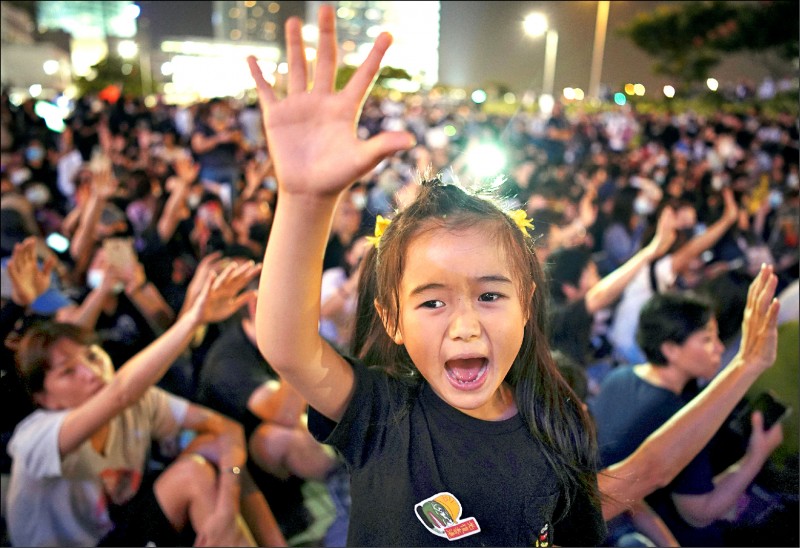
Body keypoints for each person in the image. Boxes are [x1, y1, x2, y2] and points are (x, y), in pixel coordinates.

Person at [247, 6, 605, 546]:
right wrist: (303, 200)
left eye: (488, 294)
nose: (464, 326)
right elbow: (288, 347)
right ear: (391, 318)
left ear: (527, 302)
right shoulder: (382, 415)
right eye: (432, 302)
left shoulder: (563, 423)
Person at [6, 257, 287, 547]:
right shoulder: (36, 436)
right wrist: (193, 318)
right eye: (67, 371)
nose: (91, 373)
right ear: (46, 400)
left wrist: (227, 506)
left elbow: (228, 431)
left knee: (202, 462)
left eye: (91, 356)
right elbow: (121, 392)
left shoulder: (141, 401)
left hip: (124, 532)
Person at [588, 268, 784, 546]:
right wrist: (757, 454)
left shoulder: (619, 376)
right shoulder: (678, 415)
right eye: (707, 339)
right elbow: (699, 512)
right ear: (670, 349)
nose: (718, 348)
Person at [194, 274, 346, 545]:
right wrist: (297, 346)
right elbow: (285, 415)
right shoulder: (227, 360)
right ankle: (346, 487)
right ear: (255, 307)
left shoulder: (266, 339)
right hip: (241, 471)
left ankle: (353, 483)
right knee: (282, 435)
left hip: (280, 465)